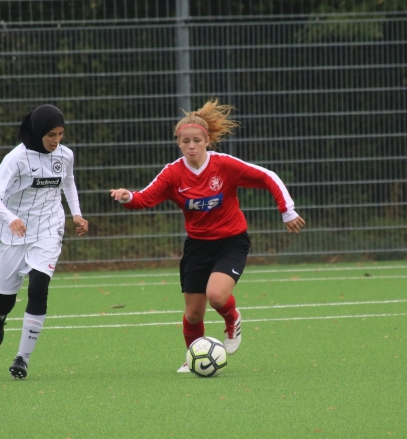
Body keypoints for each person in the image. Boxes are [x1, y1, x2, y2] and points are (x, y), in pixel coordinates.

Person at [109, 99, 305, 372]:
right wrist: (127, 197)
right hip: (197, 246)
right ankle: (194, 358)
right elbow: (144, 198)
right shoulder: (172, 173)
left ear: (207, 141)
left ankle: (232, 319)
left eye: (197, 141)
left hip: (231, 242)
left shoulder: (224, 165)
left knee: (216, 296)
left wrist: (287, 211)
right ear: (178, 143)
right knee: (193, 313)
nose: (191, 146)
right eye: (185, 141)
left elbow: (267, 176)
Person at [0, 105, 88, 379]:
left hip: (48, 229)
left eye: (61, 134)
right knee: (5, 300)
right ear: (37, 131)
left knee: (39, 287)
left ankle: (22, 358)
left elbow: (68, 183)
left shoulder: (65, 155)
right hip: (13, 234)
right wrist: (11, 219)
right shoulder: (16, 158)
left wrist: (76, 214)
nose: (56, 140)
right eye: (51, 134)